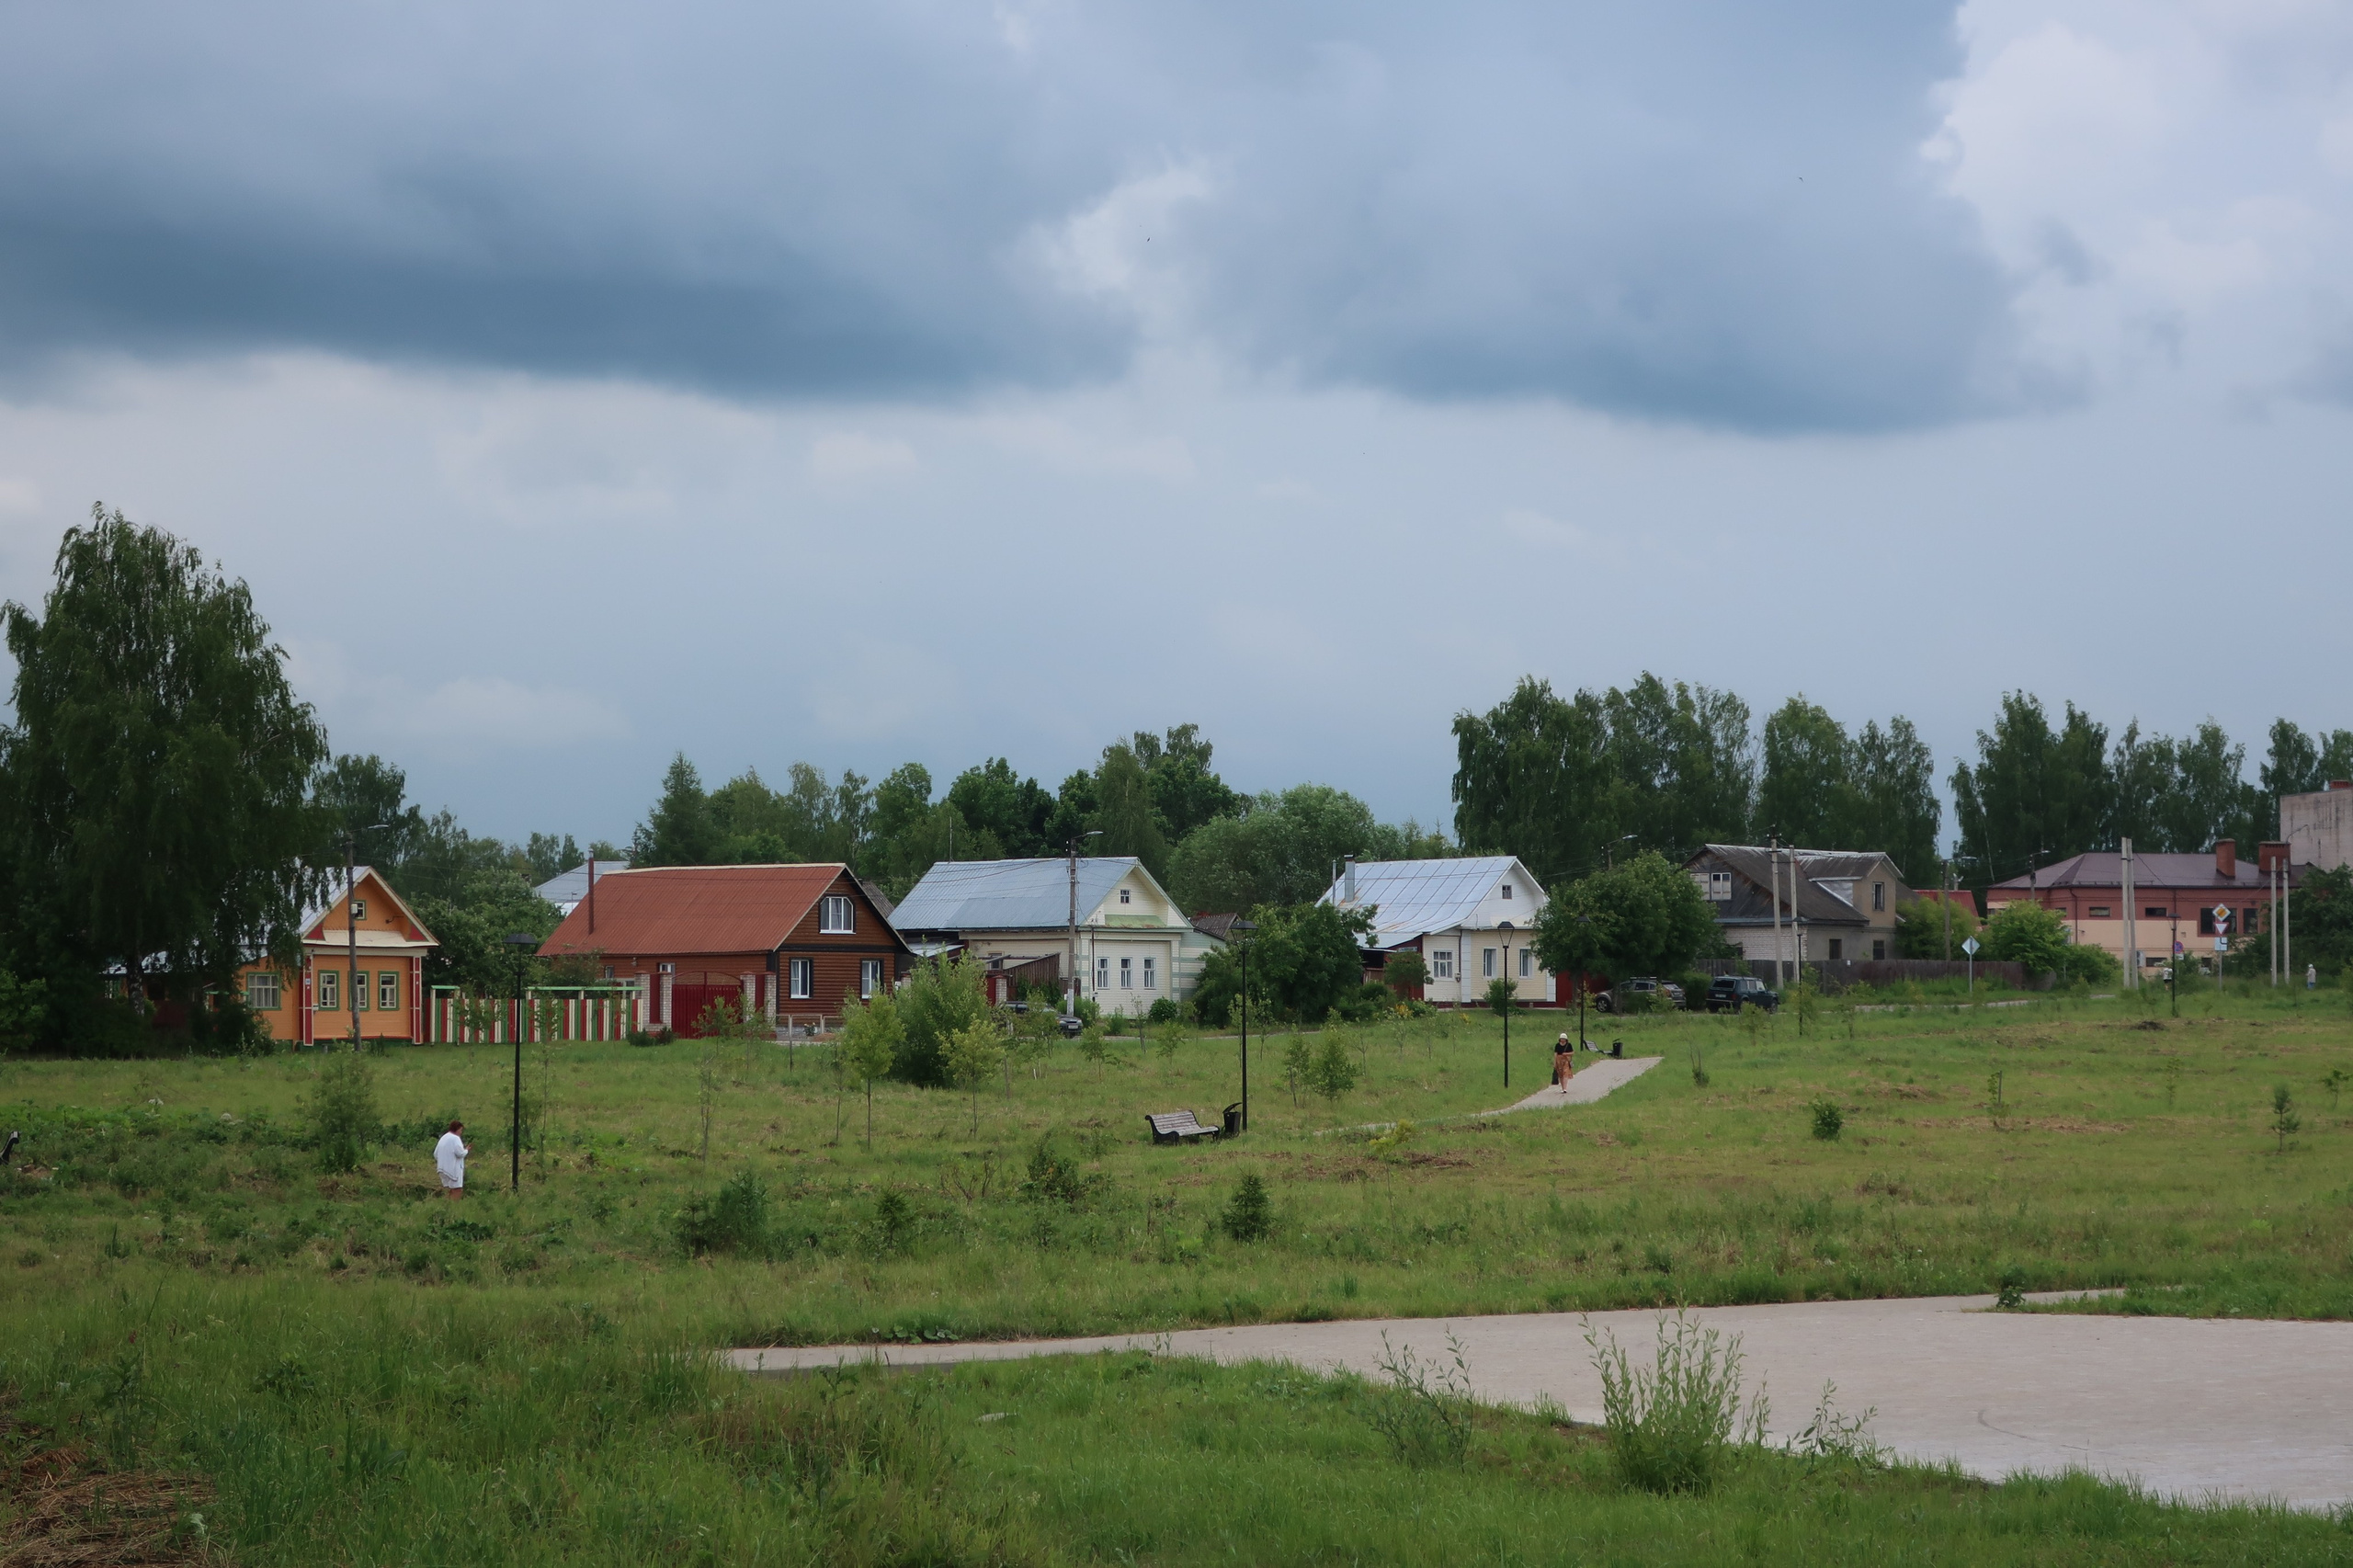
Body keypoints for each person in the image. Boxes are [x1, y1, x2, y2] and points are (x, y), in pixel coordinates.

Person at [434, 1119, 471, 1199]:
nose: (461, 1132)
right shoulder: (455, 1139)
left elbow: (436, 1154)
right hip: (453, 1170)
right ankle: (455, 1207)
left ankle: (447, 1207)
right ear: (457, 1129)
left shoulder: (443, 1138)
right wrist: (466, 1150)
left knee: (448, 1190)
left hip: (441, 1169)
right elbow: (460, 1153)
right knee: (457, 1190)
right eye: (461, 1130)